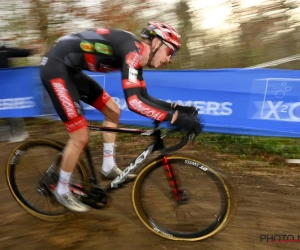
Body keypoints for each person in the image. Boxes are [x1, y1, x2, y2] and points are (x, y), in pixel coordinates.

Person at [40, 21, 202, 213]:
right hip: (56, 68)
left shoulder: (137, 56)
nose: (170, 59)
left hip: (70, 69)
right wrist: (173, 118)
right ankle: (62, 189)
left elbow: (144, 97)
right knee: (80, 137)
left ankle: (108, 166)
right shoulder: (132, 53)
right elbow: (134, 103)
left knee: (113, 110)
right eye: (171, 52)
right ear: (157, 43)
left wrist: (177, 109)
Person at [0, 40, 36, 143]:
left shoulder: (4, 50)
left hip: (6, 88)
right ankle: (15, 131)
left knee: (10, 107)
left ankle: (19, 132)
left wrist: (31, 50)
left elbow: (20, 52)